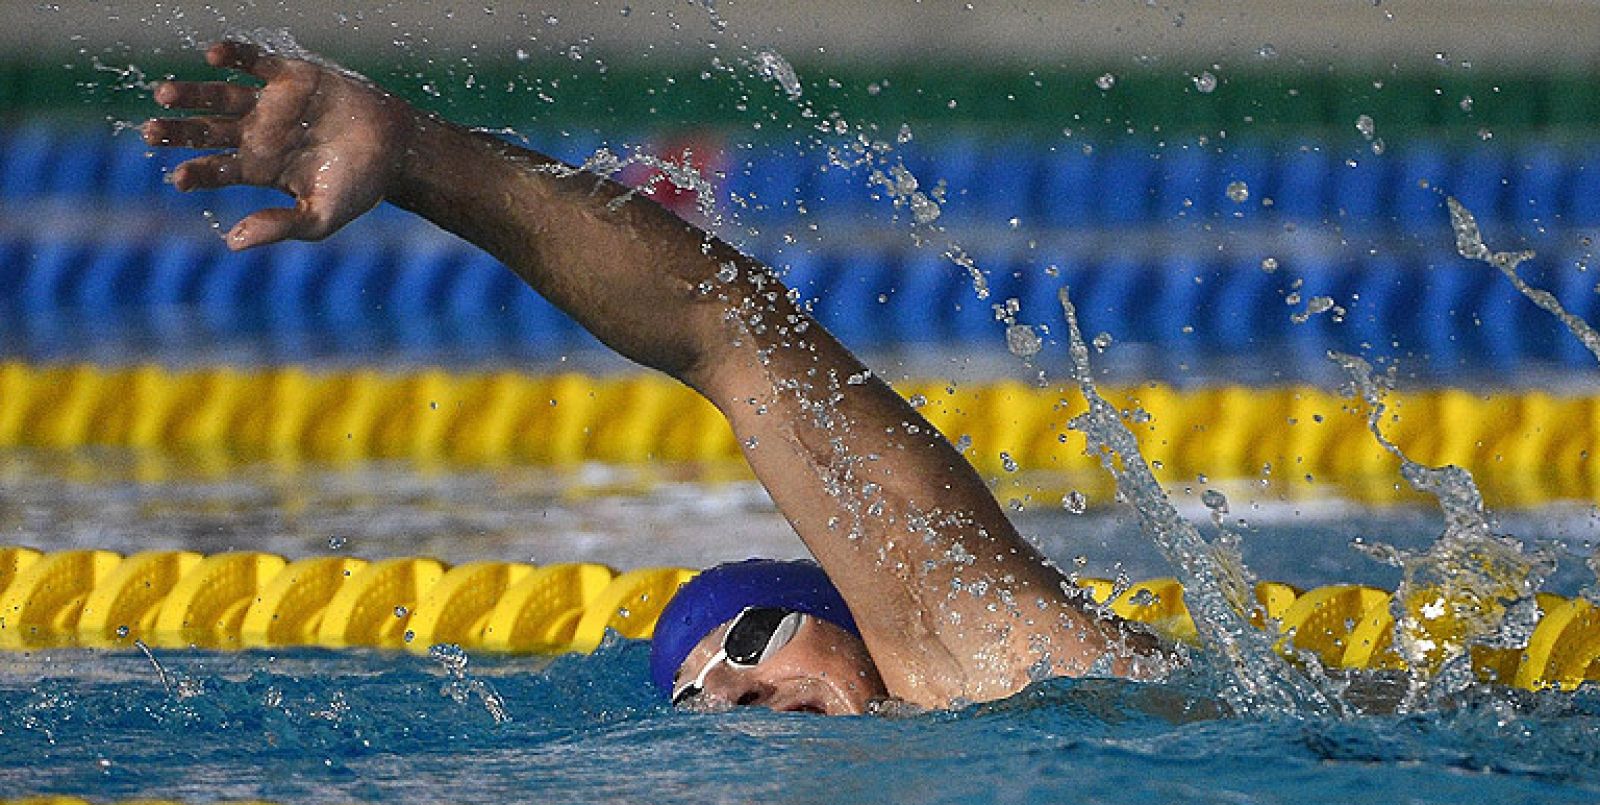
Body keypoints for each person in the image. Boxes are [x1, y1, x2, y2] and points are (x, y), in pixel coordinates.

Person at [143, 40, 1171, 715]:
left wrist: (418, 158)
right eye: (696, 698)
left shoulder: (993, 665)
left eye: (752, 637)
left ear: (863, 609)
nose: (731, 691)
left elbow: (723, 329)